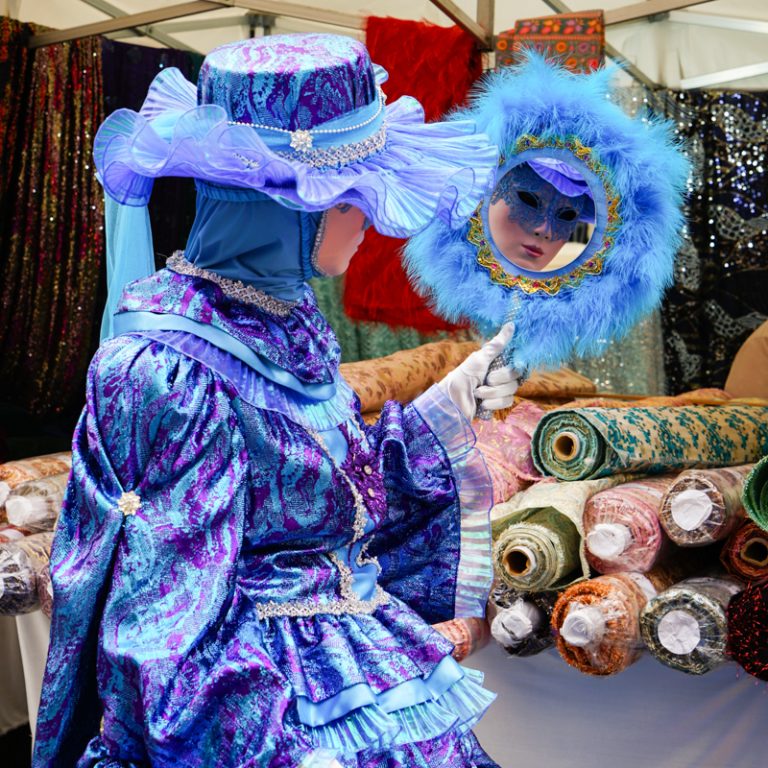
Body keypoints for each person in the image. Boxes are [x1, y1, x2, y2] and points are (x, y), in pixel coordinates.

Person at [34, 34, 518, 768]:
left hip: (352, 663)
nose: (368, 223)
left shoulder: (286, 320)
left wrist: (444, 412)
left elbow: (312, 502)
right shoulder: (165, 368)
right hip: (265, 710)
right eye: (349, 197)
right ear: (278, 208)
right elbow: (165, 621)